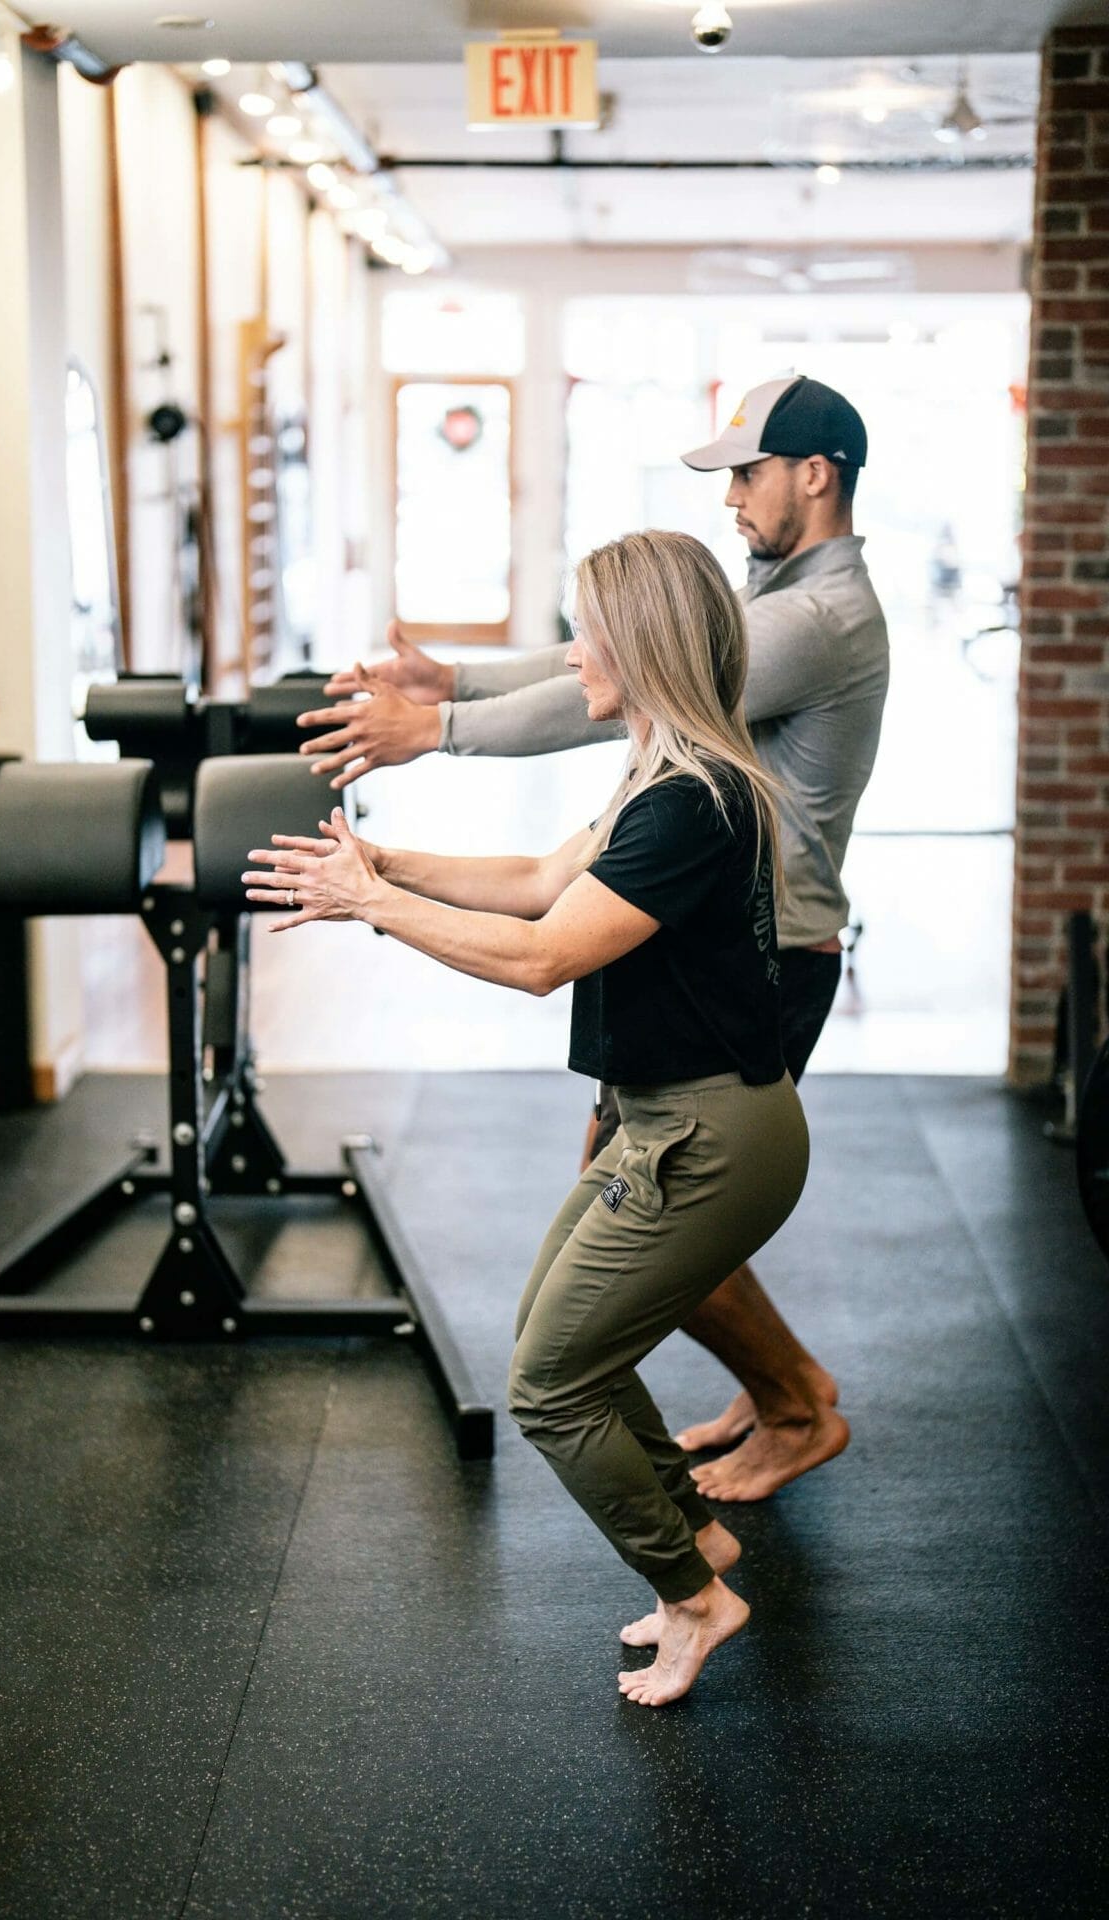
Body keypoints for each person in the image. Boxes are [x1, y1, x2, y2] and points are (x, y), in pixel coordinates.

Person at [293, 375, 888, 1503]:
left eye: (745, 474)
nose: (731, 499)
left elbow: (622, 672)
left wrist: (440, 727)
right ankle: (781, 1392)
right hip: (708, 925)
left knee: (659, 1206)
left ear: (813, 475)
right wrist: (458, 676)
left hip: (764, 941)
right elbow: (610, 651)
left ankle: (797, 1404)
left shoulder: (818, 617)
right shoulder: (777, 590)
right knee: (644, 1197)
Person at [244, 530, 809, 1706]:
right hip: (667, 1125)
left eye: (586, 630)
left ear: (641, 643)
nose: (570, 652)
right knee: (564, 1343)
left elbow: (543, 955)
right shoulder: (665, 774)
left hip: (707, 1142)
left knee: (551, 1384)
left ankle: (696, 1599)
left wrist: (373, 908)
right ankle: (691, 1541)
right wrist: (383, 866)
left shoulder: (690, 802)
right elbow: (534, 881)